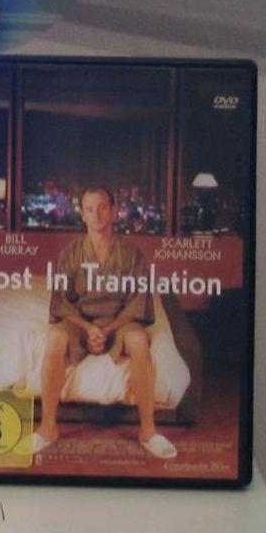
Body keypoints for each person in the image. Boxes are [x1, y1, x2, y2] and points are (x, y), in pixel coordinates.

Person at [34, 185, 176, 459]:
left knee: (138, 340)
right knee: (55, 339)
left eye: (102, 208)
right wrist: (88, 328)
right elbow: (61, 301)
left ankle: (148, 431)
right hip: (80, 321)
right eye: (89, 209)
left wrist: (107, 329)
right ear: (83, 215)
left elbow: (137, 302)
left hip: (119, 321)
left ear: (114, 212)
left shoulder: (131, 254)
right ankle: (48, 427)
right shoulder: (70, 254)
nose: (96, 214)